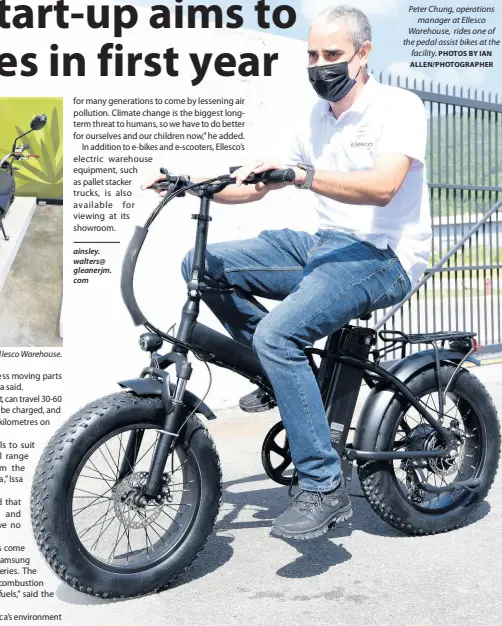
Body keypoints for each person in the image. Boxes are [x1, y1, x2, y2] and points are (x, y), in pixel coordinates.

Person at [145, 5, 431, 540]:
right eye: (312, 55)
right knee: (202, 265)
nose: (319, 66)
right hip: (324, 246)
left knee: (280, 334)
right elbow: (256, 182)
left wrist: (304, 175)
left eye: (332, 55)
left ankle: (324, 487)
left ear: (363, 54)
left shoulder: (398, 106)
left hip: (385, 255)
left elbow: (384, 185)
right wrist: (193, 182)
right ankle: (280, 373)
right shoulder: (312, 117)